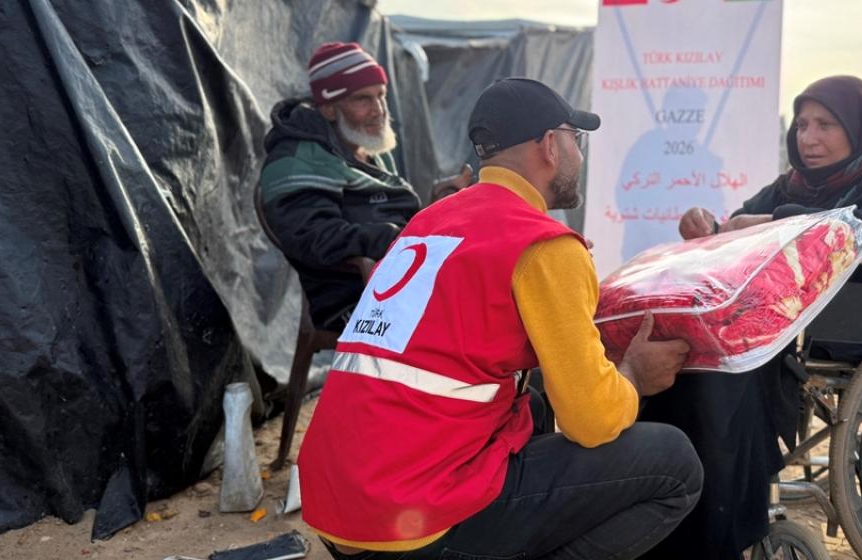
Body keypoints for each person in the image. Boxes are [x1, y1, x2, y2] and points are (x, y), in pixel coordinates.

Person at [297, 77, 703, 559]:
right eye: (576, 139)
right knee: (675, 464)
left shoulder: (430, 221)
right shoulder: (544, 245)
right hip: (408, 523)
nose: (579, 155)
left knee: (532, 407)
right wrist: (633, 375)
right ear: (550, 145)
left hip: (338, 505)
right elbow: (591, 421)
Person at [644, 75, 862, 559]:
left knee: (726, 373)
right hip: (782, 320)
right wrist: (710, 227)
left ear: (858, 126)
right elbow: (742, 227)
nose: (809, 138)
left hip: (859, 321)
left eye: (825, 124)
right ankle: (674, 507)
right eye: (803, 125)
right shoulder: (798, 183)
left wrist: (779, 221)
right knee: (684, 360)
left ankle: (726, 519)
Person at [259, 41, 470, 331]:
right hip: (355, 302)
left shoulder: (369, 149)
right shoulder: (297, 160)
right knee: (477, 311)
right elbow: (314, 238)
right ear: (329, 108)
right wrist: (393, 239)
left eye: (381, 96)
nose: (378, 110)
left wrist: (438, 204)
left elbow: (392, 221)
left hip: (400, 280)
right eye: (363, 99)